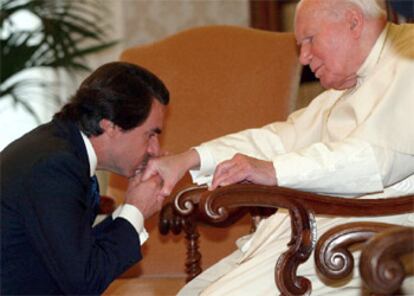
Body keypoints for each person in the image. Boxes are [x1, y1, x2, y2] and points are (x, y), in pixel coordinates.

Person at [142, 0, 414, 294]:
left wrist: (272, 171)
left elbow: (378, 158)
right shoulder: (343, 88)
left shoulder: (407, 56)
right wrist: (189, 159)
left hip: (365, 239)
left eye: (310, 39)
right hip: (312, 230)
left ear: (353, 21)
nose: (304, 57)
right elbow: (279, 139)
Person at [1, 62, 170, 294]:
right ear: (110, 126)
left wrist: (130, 209)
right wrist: (136, 210)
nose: (155, 150)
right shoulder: (54, 167)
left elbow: (75, 254)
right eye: (149, 135)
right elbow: (84, 282)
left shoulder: (61, 148)